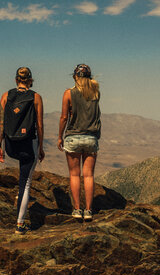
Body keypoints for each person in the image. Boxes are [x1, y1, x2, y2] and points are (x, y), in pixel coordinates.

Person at [0, 67, 45, 234]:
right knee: (26, 182)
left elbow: (1, 123)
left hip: (11, 146)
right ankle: (20, 224)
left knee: (23, 179)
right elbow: (39, 125)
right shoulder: (36, 97)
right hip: (28, 144)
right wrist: (40, 147)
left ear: (16, 80)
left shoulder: (6, 96)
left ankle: (22, 199)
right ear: (30, 80)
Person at [58, 64, 101, 221]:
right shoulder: (96, 93)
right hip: (91, 138)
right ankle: (89, 211)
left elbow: (64, 117)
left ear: (75, 76)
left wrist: (59, 137)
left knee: (74, 175)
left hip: (73, 137)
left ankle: (77, 209)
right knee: (88, 175)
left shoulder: (68, 93)